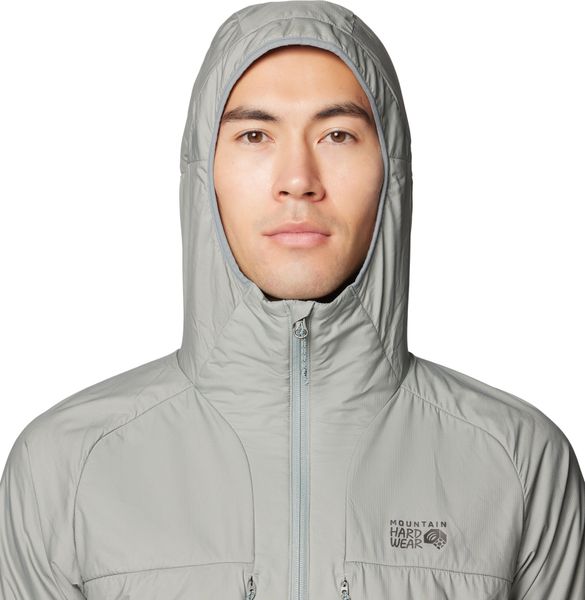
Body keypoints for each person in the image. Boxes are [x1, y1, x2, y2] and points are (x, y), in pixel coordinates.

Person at [1, 1, 583, 599]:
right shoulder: (66, 467)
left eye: (338, 135)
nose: (299, 179)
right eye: (255, 135)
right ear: (204, 175)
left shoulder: (520, 462)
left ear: (392, 173)